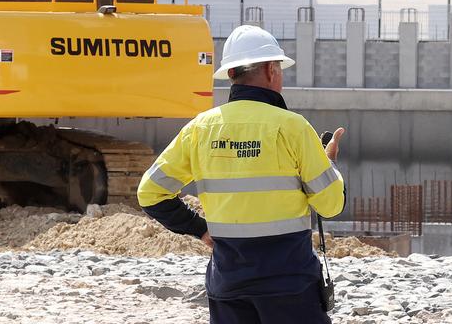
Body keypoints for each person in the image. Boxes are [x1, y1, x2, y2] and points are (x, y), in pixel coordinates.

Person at [138, 25, 347, 324]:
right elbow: (331, 205)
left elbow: (149, 193)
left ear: (231, 74)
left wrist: (199, 228)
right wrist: (331, 165)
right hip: (289, 286)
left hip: (229, 284)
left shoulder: (200, 128)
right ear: (271, 70)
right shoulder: (293, 127)